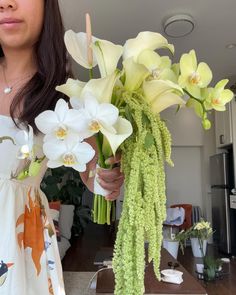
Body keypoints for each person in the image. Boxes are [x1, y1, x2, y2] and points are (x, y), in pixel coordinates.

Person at [0, 0, 123, 294]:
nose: (6, 3)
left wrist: (109, 171)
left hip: (19, 242)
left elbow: (96, 177)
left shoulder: (68, 93)